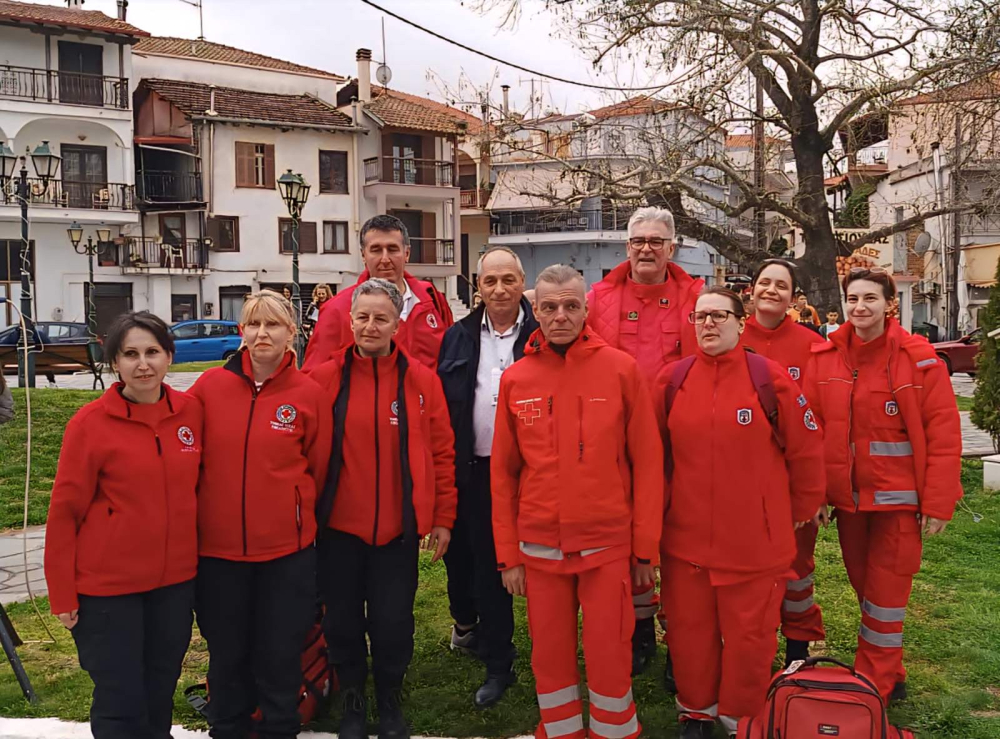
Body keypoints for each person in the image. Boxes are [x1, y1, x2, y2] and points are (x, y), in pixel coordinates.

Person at [492, 264, 663, 739]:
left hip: (606, 545)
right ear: (535, 311)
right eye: (549, 307)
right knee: (549, 654)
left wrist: (644, 550)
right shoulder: (516, 379)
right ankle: (561, 731)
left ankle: (614, 731)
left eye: (570, 306)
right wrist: (508, 556)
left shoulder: (621, 370)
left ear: (586, 309)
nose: (560, 316)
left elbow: (648, 464)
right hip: (539, 547)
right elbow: (503, 475)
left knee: (610, 650)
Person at [655, 287, 825, 738]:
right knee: (690, 634)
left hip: (754, 543)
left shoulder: (769, 379)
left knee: (750, 639)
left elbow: (807, 450)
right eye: (700, 317)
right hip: (685, 541)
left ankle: (741, 718)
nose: (708, 324)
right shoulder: (672, 381)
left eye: (719, 315)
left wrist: (801, 508)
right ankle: (696, 712)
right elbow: (653, 457)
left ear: (740, 321)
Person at [805, 268, 962, 704]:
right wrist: (816, 493)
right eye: (853, 298)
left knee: (886, 593)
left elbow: (943, 432)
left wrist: (939, 501)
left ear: (890, 304)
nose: (860, 307)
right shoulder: (825, 358)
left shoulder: (918, 358)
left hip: (899, 504)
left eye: (870, 298)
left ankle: (875, 683)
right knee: (867, 589)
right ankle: (889, 667)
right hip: (850, 503)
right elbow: (810, 433)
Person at [309, 278, 457, 739]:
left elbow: (442, 454)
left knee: (393, 624)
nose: (371, 326)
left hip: (397, 532)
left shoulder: (421, 381)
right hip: (338, 531)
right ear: (350, 322)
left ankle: (390, 698)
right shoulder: (324, 379)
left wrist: (443, 518)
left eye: (381, 318)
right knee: (343, 622)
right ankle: (353, 699)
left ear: (397, 324)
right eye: (363, 317)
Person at [44, 311, 203, 739]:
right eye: (131, 354)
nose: (143, 364)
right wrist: (62, 591)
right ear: (115, 361)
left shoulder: (191, 414)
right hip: (108, 591)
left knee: (159, 693)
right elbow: (64, 512)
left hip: (173, 586)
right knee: (121, 702)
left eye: (152, 352)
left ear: (169, 356)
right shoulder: (90, 425)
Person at [188, 290, 331, 739]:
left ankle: (279, 727)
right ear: (242, 331)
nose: (262, 333)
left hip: (285, 553)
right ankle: (227, 726)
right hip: (219, 552)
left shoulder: (309, 394)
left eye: (273, 325)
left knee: (279, 652)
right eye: (254, 324)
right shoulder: (209, 387)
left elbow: (318, 467)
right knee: (226, 652)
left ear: (292, 332)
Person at [584, 206, 703, 678]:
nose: (647, 249)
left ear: (672, 247)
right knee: (628, 538)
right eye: (639, 241)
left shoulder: (696, 299)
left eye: (656, 241)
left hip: (680, 446)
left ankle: (682, 640)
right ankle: (638, 633)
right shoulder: (598, 298)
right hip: (619, 446)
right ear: (627, 246)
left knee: (679, 546)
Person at [437, 247, 539, 707]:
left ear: (522, 282)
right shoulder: (457, 337)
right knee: (481, 569)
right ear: (477, 286)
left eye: (508, 279)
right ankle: (494, 657)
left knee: (521, 567)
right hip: (474, 470)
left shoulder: (541, 333)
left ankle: (528, 656)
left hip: (530, 475)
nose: (499, 289)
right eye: (490, 281)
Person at [740, 259, 827, 666]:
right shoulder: (731, 335)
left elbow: (822, 417)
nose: (771, 290)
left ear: (794, 296)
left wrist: (817, 490)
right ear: (751, 289)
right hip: (741, 479)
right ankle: (747, 646)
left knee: (797, 566)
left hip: (793, 479)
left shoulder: (813, 344)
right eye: (764, 282)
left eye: (781, 285)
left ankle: (798, 647)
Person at [302, 215, 453, 370]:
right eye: (376, 250)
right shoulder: (336, 310)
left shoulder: (432, 299)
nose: (385, 259)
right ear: (363, 255)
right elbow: (314, 376)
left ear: (407, 253)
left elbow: (453, 360)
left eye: (392, 249)